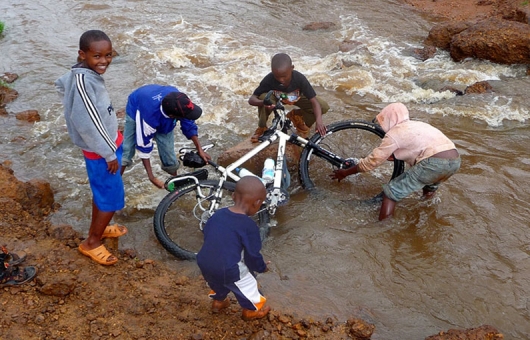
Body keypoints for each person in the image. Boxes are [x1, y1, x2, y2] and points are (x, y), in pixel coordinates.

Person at [55, 30, 127, 266]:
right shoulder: (84, 82)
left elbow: (62, 84)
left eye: (108, 55)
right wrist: (108, 153)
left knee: (103, 192)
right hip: (101, 152)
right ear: (82, 54)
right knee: (110, 199)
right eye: (97, 56)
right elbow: (87, 122)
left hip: (106, 144)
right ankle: (92, 242)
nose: (104, 61)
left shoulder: (81, 74)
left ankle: (101, 229)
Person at [330, 102, 461, 221]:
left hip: (433, 163)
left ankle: (384, 228)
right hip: (454, 160)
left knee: (390, 193)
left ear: (389, 118)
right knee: (429, 189)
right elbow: (418, 148)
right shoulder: (417, 125)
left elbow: (371, 162)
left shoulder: (395, 133)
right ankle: (426, 214)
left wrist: (345, 172)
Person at [196, 176, 271, 321]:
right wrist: (262, 268)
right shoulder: (249, 227)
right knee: (249, 285)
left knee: (219, 282)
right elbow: (252, 256)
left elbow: (207, 234)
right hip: (229, 268)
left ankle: (219, 302)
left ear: (233, 196)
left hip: (204, 262)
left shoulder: (217, 214)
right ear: (257, 203)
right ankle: (251, 311)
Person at [120, 84, 211, 188]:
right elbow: (143, 145)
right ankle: (115, 182)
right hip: (137, 105)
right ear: (172, 116)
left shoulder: (178, 100)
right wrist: (152, 177)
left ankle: (176, 181)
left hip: (156, 101)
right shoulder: (148, 119)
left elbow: (188, 125)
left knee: (168, 150)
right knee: (127, 150)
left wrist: (199, 149)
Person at [248, 53, 329, 142]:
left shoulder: (299, 78)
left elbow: (314, 101)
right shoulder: (269, 79)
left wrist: (319, 121)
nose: (281, 80)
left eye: (284, 76)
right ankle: (262, 127)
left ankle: (297, 118)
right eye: (277, 77)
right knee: (263, 97)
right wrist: (263, 103)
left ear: (292, 68)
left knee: (322, 106)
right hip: (276, 99)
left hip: (297, 98)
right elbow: (252, 99)